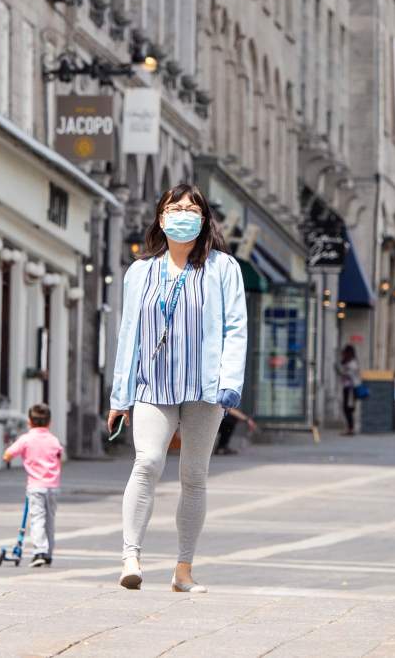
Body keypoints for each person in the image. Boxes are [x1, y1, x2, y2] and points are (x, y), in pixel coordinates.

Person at [107, 184, 248, 593]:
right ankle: (130, 555)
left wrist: (229, 383)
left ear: (204, 219)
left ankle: (183, 570)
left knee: (193, 476)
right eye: (175, 207)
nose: (183, 213)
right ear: (161, 216)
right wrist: (120, 396)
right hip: (153, 384)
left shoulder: (223, 268)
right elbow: (128, 333)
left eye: (191, 208)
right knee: (147, 461)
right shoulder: (141, 271)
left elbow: (236, 328)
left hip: (205, 388)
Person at [3, 403, 64, 568]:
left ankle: (40, 552)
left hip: (36, 486)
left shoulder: (26, 439)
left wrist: (12, 457)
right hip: (53, 486)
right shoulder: (53, 440)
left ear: (29, 422)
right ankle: (49, 553)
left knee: (37, 519)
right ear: (49, 423)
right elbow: (59, 458)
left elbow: (8, 455)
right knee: (50, 521)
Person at [335, 344, 362, 436]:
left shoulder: (352, 363)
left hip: (350, 389)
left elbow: (349, 375)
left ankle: (350, 428)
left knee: (348, 408)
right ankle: (350, 428)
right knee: (347, 408)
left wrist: (342, 372)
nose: (343, 354)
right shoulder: (348, 362)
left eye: (344, 352)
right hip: (347, 388)